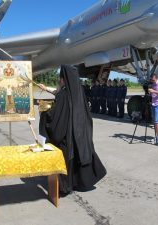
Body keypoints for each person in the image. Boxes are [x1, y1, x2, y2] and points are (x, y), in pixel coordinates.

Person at [39, 65, 106, 194]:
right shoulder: (78, 92)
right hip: (80, 133)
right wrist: (46, 88)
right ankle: (77, 182)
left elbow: (55, 117)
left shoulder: (63, 95)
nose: (59, 80)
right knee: (77, 156)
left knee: (66, 158)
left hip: (67, 135)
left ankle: (65, 187)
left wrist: (45, 112)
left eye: (60, 78)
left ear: (63, 79)